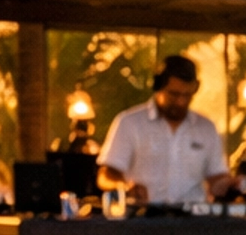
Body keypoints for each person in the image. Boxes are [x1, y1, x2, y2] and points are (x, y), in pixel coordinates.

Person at [98, 56, 236, 208]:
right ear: (158, 87)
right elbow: (106, 175)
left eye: (187, 95)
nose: (181, 102)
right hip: (143, 220)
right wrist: (125, 187)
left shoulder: (207, 128)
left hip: (193, 222)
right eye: (174, 95)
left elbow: (216, 176)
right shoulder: (129, 123)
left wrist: (230, 184)